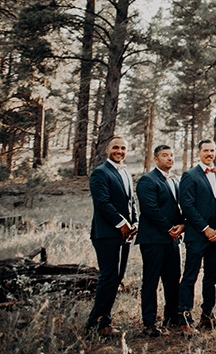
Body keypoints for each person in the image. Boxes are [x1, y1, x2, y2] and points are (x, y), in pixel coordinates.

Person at [86, 136, 138, 337]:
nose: (120, 151)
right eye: (116, 147)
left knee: (117, 278)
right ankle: (96, 324)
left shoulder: (125, 172)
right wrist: (121, 223)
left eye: (123, 148)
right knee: (108, 277)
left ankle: (103, 321)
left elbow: (131, 200)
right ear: (107, 149)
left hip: (124, 235)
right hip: (106, 234)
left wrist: (134, 222)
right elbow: (102, 203)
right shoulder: (100, 173)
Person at [178, 139, 216, 333]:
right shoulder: (189, 176)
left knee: (211, 278)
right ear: (198, 152)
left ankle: (207, 315)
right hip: (197, 236)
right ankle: (185, 319)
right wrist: (205, 228)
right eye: (206, 150)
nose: (209, 153)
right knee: (190, 276)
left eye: (212, 150)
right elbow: (187, 206)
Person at [135, 144, 185, 336]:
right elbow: (150, 209)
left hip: (173, 240)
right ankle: (149, 323)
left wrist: (182, 225)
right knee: (151, 280)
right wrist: (169, 228)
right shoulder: (147, 180)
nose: (170, 158)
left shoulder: (176, 180)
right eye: (165, 156)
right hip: (154, 239)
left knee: (173, 280)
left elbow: (180, 208)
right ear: (155, 159)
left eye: (172, 155)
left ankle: (171, 317)